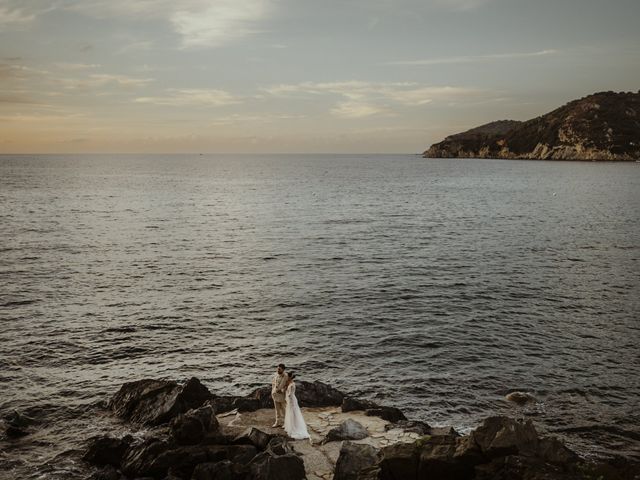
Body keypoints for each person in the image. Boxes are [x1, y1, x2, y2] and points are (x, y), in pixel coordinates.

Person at [283, 372, 310, 440]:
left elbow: (289, 394)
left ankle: (293, 427)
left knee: (292, 413)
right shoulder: (291, 383)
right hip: (292, 399)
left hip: (291, 400)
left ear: (289, 377)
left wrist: (288, 400)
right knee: (292, 412)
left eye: (287, 377)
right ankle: (292, 425)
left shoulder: (291, 385)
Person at [271, 363, 288, 428]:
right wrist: (273, 391)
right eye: (277, 369)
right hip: (275, 395)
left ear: (283, 370)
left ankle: (285, 423)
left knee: (283, 409)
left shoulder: (285, 376)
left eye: (279, 369)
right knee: (277, 410)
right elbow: (273, 383)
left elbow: (284, 385)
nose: (278, 370)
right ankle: (277, 422)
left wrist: (280, 390)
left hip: (282, 396)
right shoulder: (276, 374)